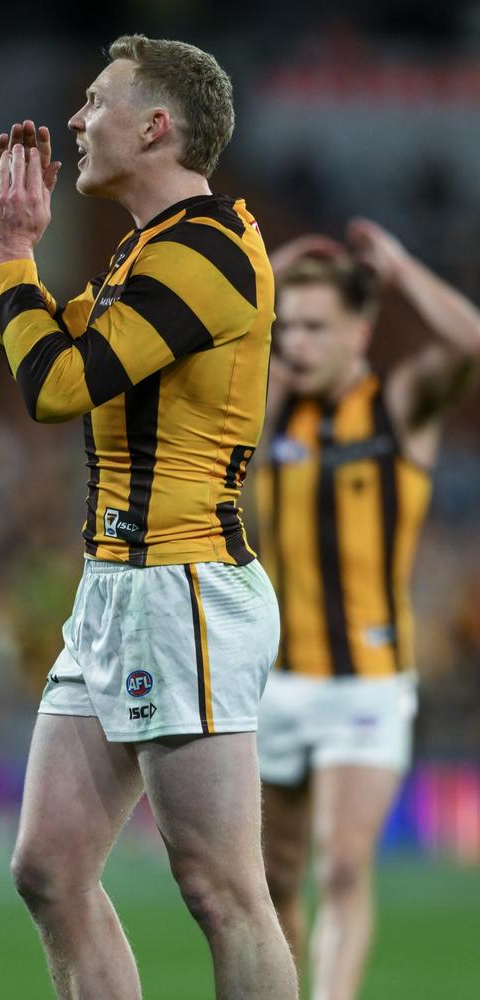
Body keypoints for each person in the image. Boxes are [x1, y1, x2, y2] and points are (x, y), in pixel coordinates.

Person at [0, 34, 297, 1000]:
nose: (75, 122)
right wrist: (10, 248)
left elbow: (59, 382)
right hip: (118, 586)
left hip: (183, 584)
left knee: (221, 889)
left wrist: (12, 257)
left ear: (156, 125)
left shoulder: (209, 252)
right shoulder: (149, 251)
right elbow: (56, 336)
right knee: (49, 869)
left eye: (95, 102)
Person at [254, 222, 480, 1000]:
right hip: (272, 685)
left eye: (317, 328)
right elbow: (222, 338)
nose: (298, 346)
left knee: (343, 866)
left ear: (361, 330)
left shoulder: (399, 410)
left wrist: (405, 268)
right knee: (274, 876)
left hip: (368, 683)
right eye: (289, 329)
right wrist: (268, 273)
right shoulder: (272, 409)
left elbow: (472, 343)